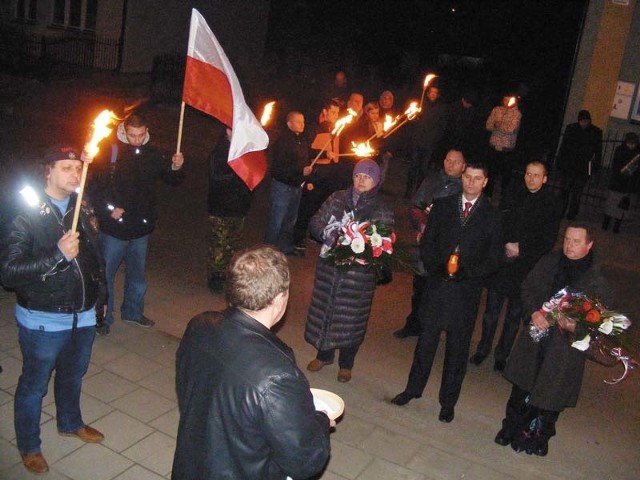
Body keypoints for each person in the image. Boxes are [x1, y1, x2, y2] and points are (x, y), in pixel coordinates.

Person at [172, 246, 331, 480]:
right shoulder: (278, 375)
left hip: (191, 465)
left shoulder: (199, 325)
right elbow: (304, 460)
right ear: (279, 298)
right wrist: (322, 420)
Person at [0, 145, 107, 475]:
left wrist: (99, 299)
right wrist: (57, 255)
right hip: (44, 318)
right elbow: (9, 271)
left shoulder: (80, 203)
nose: (75, 174)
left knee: (74, 375)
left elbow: (93, 260)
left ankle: (70, 423)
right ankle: (29, 445)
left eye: (77, 168)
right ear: (47, 170)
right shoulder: (24, 211)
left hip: (83, 314)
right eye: (66, 168)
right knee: (34, 385)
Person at [391, 161, 502, 423]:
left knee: (457, 350)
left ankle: (448, 401)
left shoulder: (493, 215)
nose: (471, 183)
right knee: (425, 342)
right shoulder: (444, 204)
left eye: (477, 178)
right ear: (462, 178)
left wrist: (469, 272)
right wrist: (435, 267)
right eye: (468, 177)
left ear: (485, 182)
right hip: (438, 287)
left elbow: (495, 257)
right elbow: (427, 243)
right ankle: (413, 389)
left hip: (465, 293)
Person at [494, 224, 613, 456]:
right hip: (536, 337)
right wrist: (534, 312)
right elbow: (528, 287)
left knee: (552, 395)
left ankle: (541, 437)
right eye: (567, 239)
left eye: (576, 241)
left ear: (589, 245)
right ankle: (510, 428)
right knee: (521, 388)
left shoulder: (596, 280)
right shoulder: (550, 262)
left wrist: (576, 326)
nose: (569, 245)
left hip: (564, 348)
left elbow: (601, 322)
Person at [88, 113, 185, 334]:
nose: (137, 140)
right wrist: (110, 209)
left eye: (141, 135)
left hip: (141, 226)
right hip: (115, 227)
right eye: (132, 135)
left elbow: (172, 179)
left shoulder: (152, 152)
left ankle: (132, 312)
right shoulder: (109, 151)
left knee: (137, 273)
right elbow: (93, 187)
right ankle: (102, 317)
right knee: (106, 274)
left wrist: (176, 167)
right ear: (124, 131)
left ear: (146, 132)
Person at [305, 159, 394, 383]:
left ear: (375, 181)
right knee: (326, 310)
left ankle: (346, 364)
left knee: (351, 319)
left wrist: (361, 248)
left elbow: (381, 243)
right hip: (329, 269)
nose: (361, 181)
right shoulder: (337, 198)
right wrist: (329, 234)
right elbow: (316, 221)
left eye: (367, 177)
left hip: (358, 277)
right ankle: (323, 355)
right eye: (358, 176)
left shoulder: (380, 208)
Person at [469, 161, 562, 370]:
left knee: (514, 315)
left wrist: (522, 249)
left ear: (545, 178)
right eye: (528, 174)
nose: (531, 178)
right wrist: (506, 244)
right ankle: (482, 349)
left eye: (536, 175)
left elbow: (548, 238)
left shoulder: (551, 203)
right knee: (491, 310)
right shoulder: (514, 194)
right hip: (503, 263)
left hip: (525, 268)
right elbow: (499, 222)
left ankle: (502, 356)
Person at [393, 148, 466, 339]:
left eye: (455, 162)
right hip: (425, 244)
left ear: (463, 166)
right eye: (448, 160)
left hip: (447, 248)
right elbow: (416, 206)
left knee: (439, 291)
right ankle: (414, 323)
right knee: (419, 286)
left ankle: (431, 328)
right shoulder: (432, 181)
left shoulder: (464, 188)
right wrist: (422, 224)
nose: (450, 164)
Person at [206, 126, 252, 292]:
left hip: (238, 206)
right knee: (220, 242)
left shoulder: (243, 151)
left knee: (233, 242)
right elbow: (216, 177)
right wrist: (237, 173)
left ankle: (230, 273)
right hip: (221, 206)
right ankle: (216, 276)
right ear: (227, 132)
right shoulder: (221, 151)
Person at [264, 111, 312, 255]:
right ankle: (268, 251)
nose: (302, 124)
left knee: (290, 220)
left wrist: (306, 178)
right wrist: (300, 171)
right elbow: (280, 166)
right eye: (298, 121)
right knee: (277, 221)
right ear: (289, 123)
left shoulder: (300, 140)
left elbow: (305, 157)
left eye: (303, 121)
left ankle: (284, 246)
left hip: (296, 186)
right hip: (283, 186)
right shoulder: (283, 141)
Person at [556, 110, 602, 220]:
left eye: (586, 121)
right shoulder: (571, 128)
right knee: (564, 191)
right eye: (582, 121)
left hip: (583, 167)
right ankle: (560, 211)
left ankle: (572, 214)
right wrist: (560, 162)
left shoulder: (596, 132)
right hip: (569, 165)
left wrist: (594, 168)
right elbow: (564, 146)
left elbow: (598, 151)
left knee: (577, 193)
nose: (583, 123)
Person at [406, 82, 448, 197]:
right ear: (428, 93)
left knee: (423, 169)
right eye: (431, 92)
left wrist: (435, 139)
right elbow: (410, 121)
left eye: (435, 93)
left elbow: (442, 126)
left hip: (429, 143)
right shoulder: (420, 104)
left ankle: (418, 192)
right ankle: (408, 192)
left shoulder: (441, 108)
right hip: (417, 141)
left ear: (438, 95)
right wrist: (415, 117)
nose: (433, 95)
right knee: (413, 166)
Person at [485, 94, 522, 199]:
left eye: (508, 100)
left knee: (505, 175)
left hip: (506, 149)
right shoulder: (497, 110)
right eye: (505, 99)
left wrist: (499, 125)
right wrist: (496, 125)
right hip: (493, 146)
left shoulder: (517, 114)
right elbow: (488, 125)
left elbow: (511, 129)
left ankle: (504, 197)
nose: (506, 102)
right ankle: (488, 195)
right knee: (491, 172)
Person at [602, 131, 639, 233]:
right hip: (617, 183)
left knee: (623, 208)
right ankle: (605, 224)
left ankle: (616, 227)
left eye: (633, 144)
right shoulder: (620, 150)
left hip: (628, 185)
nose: (631, 145)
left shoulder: (637, 154)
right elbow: (615, 165)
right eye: (629, 143)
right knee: (611, 205)